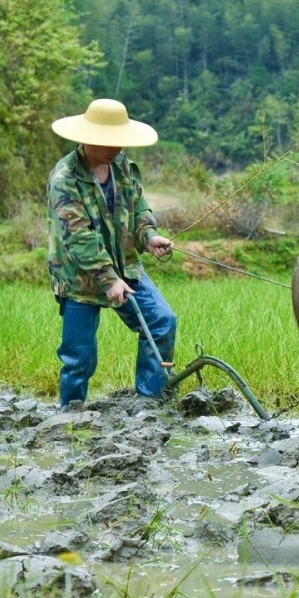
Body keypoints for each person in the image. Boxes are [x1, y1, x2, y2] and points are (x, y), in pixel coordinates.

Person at [47, 98, 176, 408]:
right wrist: (108, 279)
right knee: (79, 357)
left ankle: (150, 403)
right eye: (111, 141)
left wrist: (149, 236)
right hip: (80, 277)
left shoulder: (123, 167)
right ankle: (70, 416)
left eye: (122, 140)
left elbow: (139, 209)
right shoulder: (65, 178)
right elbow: (78, 238)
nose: (118, 147)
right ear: (89, 138)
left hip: (126, 267)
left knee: (162, 321)